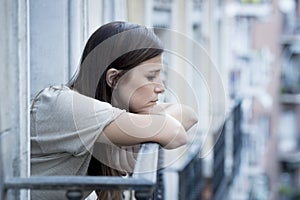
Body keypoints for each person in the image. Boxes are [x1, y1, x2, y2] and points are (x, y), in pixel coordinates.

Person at [30, 21, 198, 200]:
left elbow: (189, 116)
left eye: (160, 76)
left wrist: (137, 120)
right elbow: (176, 134)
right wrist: (147, 125)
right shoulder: (66, 106)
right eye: (151, 77)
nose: (161, 88)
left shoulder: (106, 113)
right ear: (114, 78)